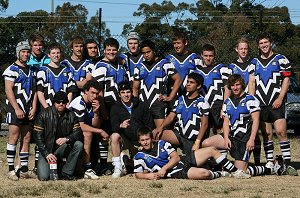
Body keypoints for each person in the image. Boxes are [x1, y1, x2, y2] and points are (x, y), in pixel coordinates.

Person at [202, 74, 273, 177]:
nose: (235, 88)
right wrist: (226, 138)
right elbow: (226, 122)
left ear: (242, 85)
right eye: (232, 85)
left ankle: (269, 169)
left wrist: (252, 139)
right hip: (232, 136)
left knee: (240, 173)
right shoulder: (227, 101)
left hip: (244, 139)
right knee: (206, 143)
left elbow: (256, 120)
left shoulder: (250, 99)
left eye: (237, 85)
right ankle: (221, 166)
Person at [248, 33, 298, 176]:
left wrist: (280, 98)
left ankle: (287, 163)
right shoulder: (254, 62)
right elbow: (252, 82)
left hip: (276, 102)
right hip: (261, 103)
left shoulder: (281, 59)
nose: (264, 45)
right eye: (261, 43)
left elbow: (286, 80)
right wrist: (252, 101)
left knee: (281, 132)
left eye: (266, 42)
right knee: (267, 134)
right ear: (258, 45)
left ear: (271, 43)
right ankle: (270, 162)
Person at [134, 127, 252, 180]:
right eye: (142, 140)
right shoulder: (139, 156)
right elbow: (138, 174)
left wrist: (163, 168)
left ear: (151, 138)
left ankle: (237, 172)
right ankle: (220, 173)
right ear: (139, 141)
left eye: (147, 139)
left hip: (182, 160)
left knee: (211, 149)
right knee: (205, 174)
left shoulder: (162, 143)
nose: (145, 142)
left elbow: (175, 158)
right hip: (175, 172)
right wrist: (147, 176)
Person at [92, 38, 128, 174]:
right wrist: (103, 109)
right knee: (104, 136)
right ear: (104, 51)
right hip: (106, 104)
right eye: (108, 49)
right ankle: (103, 165)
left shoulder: (121, 65)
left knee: (116, 133)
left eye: (114, 49)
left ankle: (118, 162)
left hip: (119, 106)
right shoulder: (101, 66)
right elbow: (98, 89)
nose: (111, 52)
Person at [3, 41, 38, 180]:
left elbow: (35, 91)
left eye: (28, 52)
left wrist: (34, 108)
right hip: (15, 108)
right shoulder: (11, 69)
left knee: (27, 138)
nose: (26, 54)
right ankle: (11, 170)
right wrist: (17, 108)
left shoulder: (32, 70)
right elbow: (8, 90)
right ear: (18, 52)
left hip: (28, 109)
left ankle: (23, 169)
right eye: (23, 51)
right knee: (13, 138)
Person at [153, 73, 209, 154]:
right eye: (187, 82)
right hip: (179, 135)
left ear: (198, 86)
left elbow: (205, 124)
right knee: (154, 134)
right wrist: (160, 127)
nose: (188, 84)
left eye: (191, 82)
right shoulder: (180, 100)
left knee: (191, 164)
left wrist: (197, 143)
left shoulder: (202, 102)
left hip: (193, 139)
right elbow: (171, 117)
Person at [33, 91, 83, 181]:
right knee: (43, 177)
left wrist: (67, 139)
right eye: (58, 102)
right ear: (54, 102)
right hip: (47, 150)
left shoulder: (71, 115)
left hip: (62, 148)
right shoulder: (43, 114)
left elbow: (78, 133)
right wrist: (46, 153)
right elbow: (37, 136)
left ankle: (67, 172)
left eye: (63, 102)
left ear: (66, 103)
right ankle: (57, 166)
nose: (61, 104)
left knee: (78, 145)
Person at [227, 37, 262, 165]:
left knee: (255, 133)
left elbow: (252, 82)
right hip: (235, 103)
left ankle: (258, 162)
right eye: (241, 48)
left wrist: (249, 100)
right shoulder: (231, 66)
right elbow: (228, 87)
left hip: (249, 103)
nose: (243, 51)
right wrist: (226, 104)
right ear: (236, 49)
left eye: (246, 48)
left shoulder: (253, 64)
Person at [133, 40, 182, 128]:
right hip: (143, 104)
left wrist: (170, 97)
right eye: (144, 53)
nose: (146, 55)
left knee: (160, 132)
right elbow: (135, 88)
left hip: (158, 104)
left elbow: (178, 79)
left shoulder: (165, 63)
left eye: (148, 52)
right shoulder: (139, 67)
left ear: (154, 51)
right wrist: (136, 105)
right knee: (144, 134)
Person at [110, 81, 154, 178]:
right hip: (125, 139)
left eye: (128, 92)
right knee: (114, 136)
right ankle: (117, 167)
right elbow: (114, 128)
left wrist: (144, 141)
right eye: (123, 92)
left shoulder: (141, 105)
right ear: (119, 94)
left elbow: (149, 126)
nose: (126, 95)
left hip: (140, 141)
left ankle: (126, 161)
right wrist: (121, 126)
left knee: (146, 170)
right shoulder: (115, 107)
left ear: (132, 92)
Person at [69, 80, 109, 179]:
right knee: (88, 134)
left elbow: (95, 126)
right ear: (86, 91)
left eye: (97, 93)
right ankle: (87, 168)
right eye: (92, 93)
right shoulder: (79, 103)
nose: (95, 96)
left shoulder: (93, 103)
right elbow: (81, 126)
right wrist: (100, 131)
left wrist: (96, 113)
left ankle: (102, 166)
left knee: (98, 135)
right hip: (68, 132)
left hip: (79, 131)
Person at [194, 44, 231, 136]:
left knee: (219, 132)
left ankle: (222, 150)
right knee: (203, 133)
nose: (208, 58)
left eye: (211, 56)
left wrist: (224, 106)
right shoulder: (196, 71)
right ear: (201, 55)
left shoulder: (222, 68)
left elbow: (227, 88)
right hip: (201, 106)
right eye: (206, 56)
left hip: (217, 105)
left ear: (214, 56)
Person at [36, 43, 77, 108]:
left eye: (58, 53)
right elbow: (39, 91)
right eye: (53, 53)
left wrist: (67, 105)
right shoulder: (42, 70)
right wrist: (46, 108)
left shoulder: (67, 71)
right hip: (47, 108)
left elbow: (70, 91)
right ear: (49, 55)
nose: (56, 55)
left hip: (63, 107)